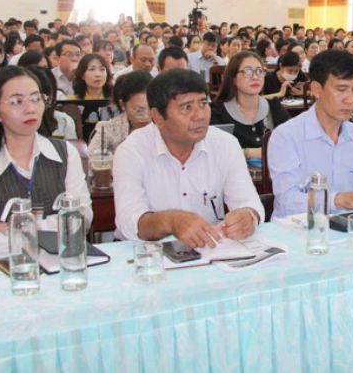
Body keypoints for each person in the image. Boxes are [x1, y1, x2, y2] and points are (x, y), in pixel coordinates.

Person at [112, 69, 263, 247]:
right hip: (147, 255)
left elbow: (248, 201)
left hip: (210, 251)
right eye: (186, 107)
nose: (200, 115)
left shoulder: (226, 144)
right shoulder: (132, 151)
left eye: (203, 103)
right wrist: (171, 221)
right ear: (157, 116)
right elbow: (128, 221)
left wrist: (248, 216)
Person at [0, 67, 91, 258]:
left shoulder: (65, 153)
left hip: (62, 268)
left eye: (36, 98)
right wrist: (54, 227)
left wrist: (8, 229)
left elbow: (81, 220)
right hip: (3, 273)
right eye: (17, 101)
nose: (30, 108)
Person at [268, 50, 353, 219]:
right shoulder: (286, 136)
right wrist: (339, 199)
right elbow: (287, 201)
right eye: (341, 89)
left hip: (349, 230)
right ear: (316, 89)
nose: (351, 100)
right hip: (298, 233)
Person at [211, 51, 290, 159]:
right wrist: (249, 153)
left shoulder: (274, 107)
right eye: (248, 71)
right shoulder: (217, 112)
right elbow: (215, 152)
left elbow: (292, 144)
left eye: (259, 71)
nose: (255, 77)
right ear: (233, 77)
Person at [88, 71, 152, 155]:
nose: (146, 116)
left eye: (151, 108)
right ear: (122, 105)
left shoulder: (164, 126)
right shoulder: (108, 129)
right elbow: (92, 159)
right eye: (138, 110)